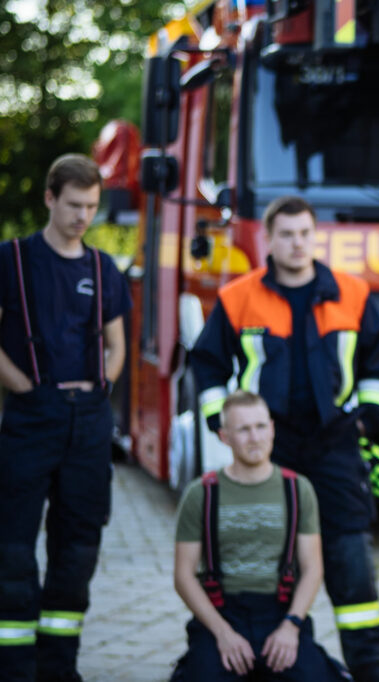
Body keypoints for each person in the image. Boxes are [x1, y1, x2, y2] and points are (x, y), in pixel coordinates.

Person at [191, 196, 379, 682]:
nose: (297, 243)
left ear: (314, 235)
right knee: (268, 558)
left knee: (352, 565)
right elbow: (206, 367)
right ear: (269, 238)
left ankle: (370, 670)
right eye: (286, 234)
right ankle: (276, 659)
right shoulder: (238, 297)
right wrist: (226, 424)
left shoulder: (352, 293)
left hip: (336, 446)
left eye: (305, 233)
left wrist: (369, 420)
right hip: (271, 448)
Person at [0, 154, 132, 681]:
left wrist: (102, 385)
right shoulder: (10, 260)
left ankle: (59, 667)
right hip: (31, 416)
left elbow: (118, 345)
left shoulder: (103, 268)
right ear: (50, 198)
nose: (83, 216)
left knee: (77, 549)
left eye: (92, 207)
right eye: (74, 205)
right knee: (12, 548)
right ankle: (14, 667)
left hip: (89, 420)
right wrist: (24, 386)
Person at [172, 391, 351, 681]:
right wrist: (223, 634)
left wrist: (291, 627)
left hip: (279, 612)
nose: (254, 437)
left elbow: (312, 568)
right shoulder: (201, 493)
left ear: (272, 429)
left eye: (260, 426)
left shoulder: (297, 489)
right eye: (243, 429)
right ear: (224, 436)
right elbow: (183, 576)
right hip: (223, 613)